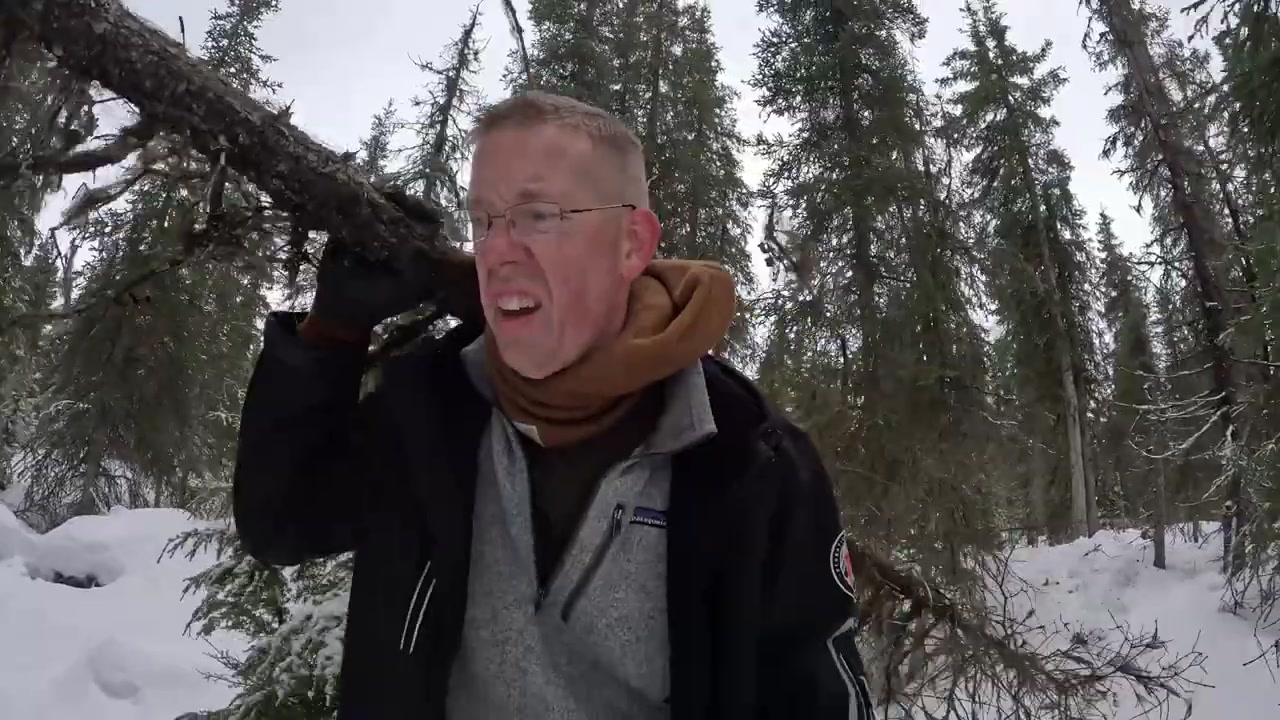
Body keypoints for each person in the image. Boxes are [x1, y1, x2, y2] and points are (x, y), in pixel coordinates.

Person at [232, 90, 875, 720]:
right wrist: (333, 332)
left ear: (631, 245)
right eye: (483, 220)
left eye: (538, 215)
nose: (498, 250)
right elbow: (282, 522)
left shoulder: (750, 461)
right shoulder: (430, 407)